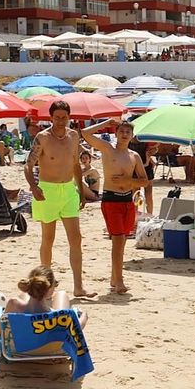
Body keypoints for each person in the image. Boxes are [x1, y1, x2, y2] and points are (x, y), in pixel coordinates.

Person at [25, 100, 89, 297]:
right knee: (48, 238)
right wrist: (33, 187)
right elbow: (28, 164)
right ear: (51, 117)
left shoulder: (73, 135)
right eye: (57, 117)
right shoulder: (42, 138)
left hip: (69, 190)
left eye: (64, 117)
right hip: (47, 191)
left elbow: (76, 165)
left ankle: (78, 287)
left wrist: (81, 190)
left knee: (76, 239)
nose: (61, 121)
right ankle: (45, 286)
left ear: (69, 117)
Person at [79, 118, 150, 295]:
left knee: (122, 241)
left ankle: (113, 277)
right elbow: (85, 134)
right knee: (117, 240)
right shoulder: (107, 149)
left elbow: (145, 180)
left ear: (132, 136)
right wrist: (107, 122)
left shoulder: (134, 156)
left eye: (128, 132)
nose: (124, 135)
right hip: (111, 200)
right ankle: (119, 281)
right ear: (116, 133)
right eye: (121, 131)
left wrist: (128, 180)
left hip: (128, 200)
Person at [0, 265, 88, 354]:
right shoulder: (60, 315)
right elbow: (76, 328)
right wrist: (84, 316)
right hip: (54, 350)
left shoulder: (14, 304)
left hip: (19, 350)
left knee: (23, 296)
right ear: (49, 289)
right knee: (62, 295)